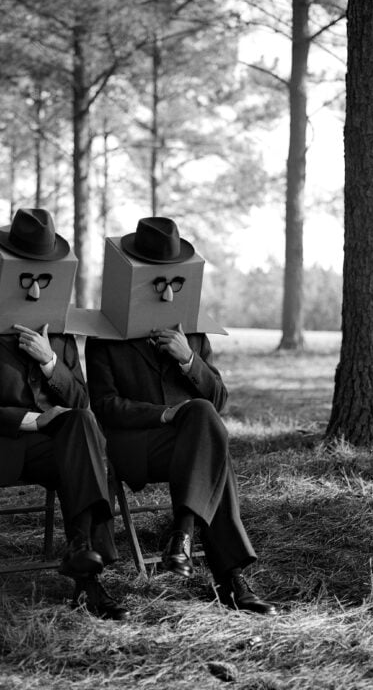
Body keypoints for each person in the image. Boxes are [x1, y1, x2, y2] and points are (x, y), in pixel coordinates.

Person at [85, 217, 276, 615]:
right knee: (209, 443)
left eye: (176, 284)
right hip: (135, 446)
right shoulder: (104, 336)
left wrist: (188, 359)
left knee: (206, 421)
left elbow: (219, 398)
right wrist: (165, 414)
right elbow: (104, 406)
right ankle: (226, 574)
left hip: (185, 448)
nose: (169, 295)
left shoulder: (192, 333)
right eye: (159, 284)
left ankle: (186, 539)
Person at [0, 208, 128, 620]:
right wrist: (33, 420)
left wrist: (50, 363)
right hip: (3, 448)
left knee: (81, 431)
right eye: (25, 279)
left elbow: (81, 403)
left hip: (59, 445)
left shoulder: (57, 332)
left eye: (43, 280)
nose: (33, 291)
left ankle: (84, 565)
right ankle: (92, 556)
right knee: (85, 451)